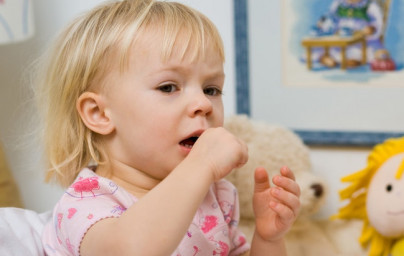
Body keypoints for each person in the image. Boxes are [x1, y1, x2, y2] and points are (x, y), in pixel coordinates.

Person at [37, 0, 301, 255]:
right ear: (100, 114)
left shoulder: (218, 195)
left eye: (211, 89)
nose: (203, 103)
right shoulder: (86, 202)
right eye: (168, 87)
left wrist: (268, 239)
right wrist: (202, 165)